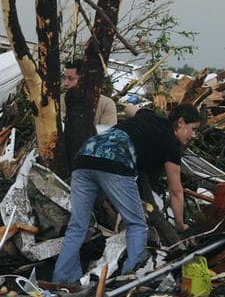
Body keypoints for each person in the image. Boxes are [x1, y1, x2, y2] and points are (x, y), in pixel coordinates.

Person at [52, 103, 201, 284]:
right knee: (137, 224)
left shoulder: (148, 116)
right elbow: (176, 190)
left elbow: (130, 108)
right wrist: (180, 225)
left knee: (77, 226)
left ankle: (62, 281)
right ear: (181, 122)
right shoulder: (171, 144)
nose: (194, 135)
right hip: (115, 161)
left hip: (85, 155)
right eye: (193, 129)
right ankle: (129, 279)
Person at [60, 59, 117, 127]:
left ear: (84, 80)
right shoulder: (58, 100)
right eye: (64, 78)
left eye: (71, 79)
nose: (65, 83)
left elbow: (107, 133)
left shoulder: (106, 104)